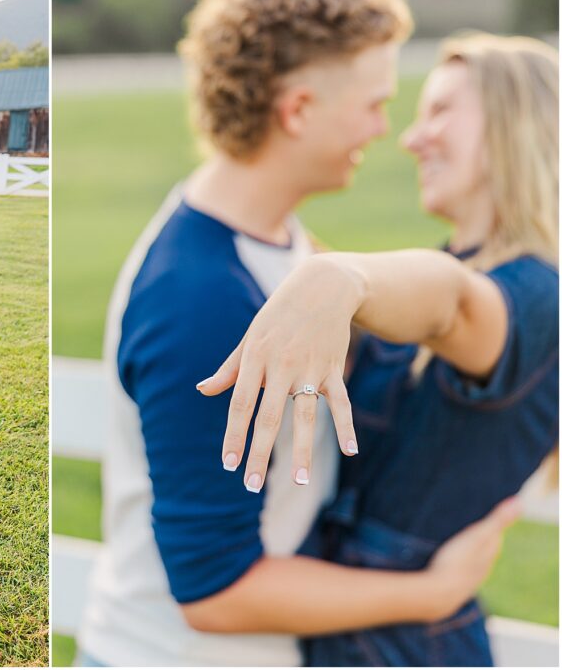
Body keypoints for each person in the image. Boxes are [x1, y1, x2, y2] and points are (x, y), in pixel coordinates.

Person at [75, 0, 520, 667]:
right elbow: (216, 593)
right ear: (299, 109)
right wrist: (430, 595)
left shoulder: (277, 242)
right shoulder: (203, 299)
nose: (386, 128)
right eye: (374, 102)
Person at [199, 33, 559, 666]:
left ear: (516, 124)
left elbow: (451, 301)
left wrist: (340, 279)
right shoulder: (461, 266)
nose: (413, 138)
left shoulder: (537, 296)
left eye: (442, 110)